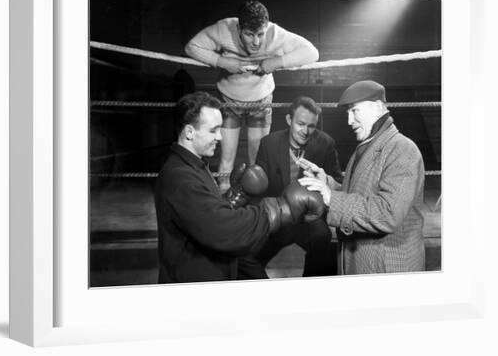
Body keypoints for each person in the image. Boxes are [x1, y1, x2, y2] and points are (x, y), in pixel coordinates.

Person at [154, 91, 326, 283]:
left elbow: (205, 216)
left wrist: (236, 195)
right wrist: (281, 208)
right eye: (213, 130)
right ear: (189, 132)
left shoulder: (194, 166)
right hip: (194, 287)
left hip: (207, 272)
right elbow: (224, 230)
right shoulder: (180, 178)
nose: (220, 137)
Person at [184, 0, 319, 192]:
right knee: (227, 156)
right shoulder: (224, 28)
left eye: (260, 34)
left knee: (258, 158)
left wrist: (277, 62)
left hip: (261, 101)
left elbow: (312, 53)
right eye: (249, 34)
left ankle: (255, 205)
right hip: (229, 100)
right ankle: (223, 202)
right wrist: (221, 61)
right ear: (239, 28)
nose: (256, 42)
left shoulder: (275, 33)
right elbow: (191, 47)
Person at [298, 80, 426, 275]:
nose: (349, 121)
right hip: (363, 264)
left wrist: (331, 198)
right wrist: (327, 184)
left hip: (388, 270)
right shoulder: (367, 146)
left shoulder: (403, 149)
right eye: (347, 113)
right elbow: (359, 193)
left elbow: (388, 213)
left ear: (376, 107)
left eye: (355, 111)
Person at [238, 96, 342, 279]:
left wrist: (325, 180)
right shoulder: (269, 143)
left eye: (311, 126)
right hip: (278, 217)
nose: (306, 131)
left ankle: (309, 291)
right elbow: (260, 188)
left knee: (322, 238)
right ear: (289, 120)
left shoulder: (326, 143)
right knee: (244, 255)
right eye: (300, 124)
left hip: (308, 219)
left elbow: (338, 182)